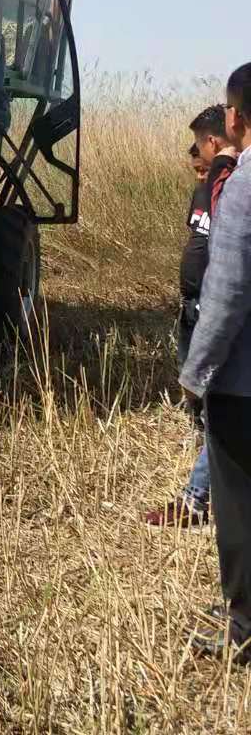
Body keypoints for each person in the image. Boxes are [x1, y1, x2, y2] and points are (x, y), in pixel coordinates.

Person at [181, 63, 251, 663]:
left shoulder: (245, 185)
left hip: (242, 384)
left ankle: (243, 625)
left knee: (237, 504)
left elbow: (225, 295)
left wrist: (195, 373)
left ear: (235, 118)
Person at [146, 108, 239, 526]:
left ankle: (197, 498)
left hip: (213, 305)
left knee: (217, 400)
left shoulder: (235, 187)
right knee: (204, 397)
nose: (198, 159)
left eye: (202, 148)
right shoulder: (207, 190)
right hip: (194, 304)